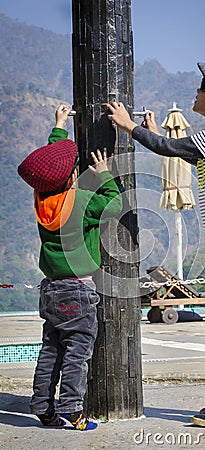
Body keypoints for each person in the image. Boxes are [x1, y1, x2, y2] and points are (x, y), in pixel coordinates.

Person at [106, 62, 205, 428]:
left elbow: (169, 146)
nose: (195, 92)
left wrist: (128, 126)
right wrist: (153, 134)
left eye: (201, 90)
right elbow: (177, 149)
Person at [17, 104, 122, 430]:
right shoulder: (81, 203)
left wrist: (59, 126)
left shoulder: (41, 201)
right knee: (77, 353)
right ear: (73, 176)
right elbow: (115, 204)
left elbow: (48, 169)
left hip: (50, 289)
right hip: (78, 290)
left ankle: (43, 407)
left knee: (51, 349)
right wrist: (104, 173)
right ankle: (73, 411)